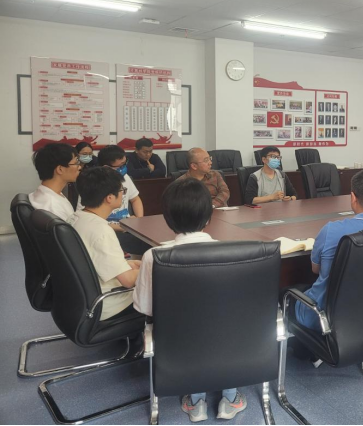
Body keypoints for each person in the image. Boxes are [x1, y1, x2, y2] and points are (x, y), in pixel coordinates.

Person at [133, 179, 246, 423]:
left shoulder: (153, 256)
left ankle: (196, 402)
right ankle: (230, 398)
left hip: (178, 342)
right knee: (222, 328)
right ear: (208, 217)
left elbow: (145, 308)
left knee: (189, 334)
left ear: (168, 219)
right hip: (228, 339)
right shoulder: (232, 253)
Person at [295, 168, 363, 331]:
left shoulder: (331, 230)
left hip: (326, 319)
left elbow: (315, 269)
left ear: (352, 197)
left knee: (288, 293)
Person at [70, 168, 141, 320]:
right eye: (122, 190)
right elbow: (128, 281)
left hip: (80, 301)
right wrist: (150, 267)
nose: (123, 194)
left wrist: (126, 265)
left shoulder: (75, 219)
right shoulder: (102, 231)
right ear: (109, 198)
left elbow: (94, 260)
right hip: (108, 305)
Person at [95, 145, 149, 256]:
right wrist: (123, 227)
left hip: (128, 227)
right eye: (120, 165)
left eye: (125, 163)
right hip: (108, 231)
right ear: (107, 167)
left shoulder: (125, 177)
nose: (124, 168)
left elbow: (135, 199)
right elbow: (91, 220)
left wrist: (138, 219)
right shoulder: (94, 184)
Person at [29, 143, 81, 221]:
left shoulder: (50, 194)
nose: (79, 167)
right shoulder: (53, 208)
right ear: (60, 169)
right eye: (76, 163)